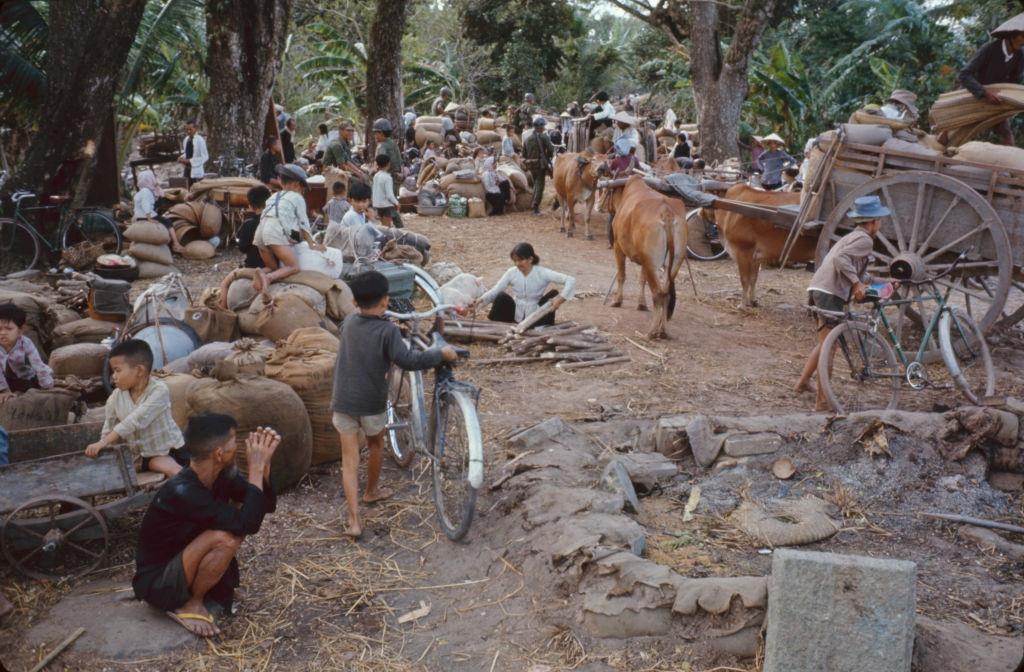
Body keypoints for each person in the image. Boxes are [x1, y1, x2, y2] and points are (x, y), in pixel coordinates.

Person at [331, 271, 457, 539]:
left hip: (342, 401)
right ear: (386, 301)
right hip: (371, 404)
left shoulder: (350, 322)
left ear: (354, 302)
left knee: (349, 461)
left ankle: (354, 521)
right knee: (376, 444)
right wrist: (439, 354)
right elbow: (408, 361)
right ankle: (371, 492)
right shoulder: (388, 331)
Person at [132, 414, 279, 637]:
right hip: (159, 584)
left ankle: (202, 591)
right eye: (233, 441)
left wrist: (263, 470)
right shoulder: (184, 491)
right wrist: (255, 471)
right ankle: (191, 603)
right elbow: (247, 524)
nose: (238, 445)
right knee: (225, 538)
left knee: (235, 523)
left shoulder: (220, 476)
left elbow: (264, 506)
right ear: (219, 454)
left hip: (183, 561)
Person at [795, 196, 891, 412]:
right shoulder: (865, 240)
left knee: (825, 343)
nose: (880, 224)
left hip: (820, 288)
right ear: (873, 221)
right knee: (830, 347)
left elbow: (858, 272)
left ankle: (802, 384)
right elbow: (841, 261)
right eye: (880, 221)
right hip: (830, 292)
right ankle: (822, 402)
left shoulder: (853, 237)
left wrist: (884, 282)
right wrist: (856, 284)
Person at [86, 339, 188, 479]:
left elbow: (136, 420)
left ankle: (195, 492)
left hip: (167, 451)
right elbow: (109, 427)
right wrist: (103, 446)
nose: (113, 377)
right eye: (112, 371)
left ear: (139, 370)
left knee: (173, 471)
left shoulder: (159, 390)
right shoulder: (115, 397)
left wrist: (104, 442)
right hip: (139, 456)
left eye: (117, 370)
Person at [954, 15, 1024, 145]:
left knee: (1006, 133)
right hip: (973, 95)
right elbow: (964, 74)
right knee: (954, 132)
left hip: (996, 99)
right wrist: (984, 93)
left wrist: (1009, 102)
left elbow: (1015, 81)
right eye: (1023, 36)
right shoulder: (989, 49)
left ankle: (1008, 163)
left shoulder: (1020, 55)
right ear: (1012, 36)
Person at [252, 164, 320, 295]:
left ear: (281, 182)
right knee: (293, 266)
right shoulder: (297, 198)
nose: (302, 192)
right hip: (273, 233)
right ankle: (268, 278)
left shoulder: (273, 196)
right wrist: (312, 243)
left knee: (273, 267)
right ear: (296, 184)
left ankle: (260, 273)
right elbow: (304, 224)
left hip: (259, 233)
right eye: (302, 188)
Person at [473, 243, 575, 326]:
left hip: (536, 312)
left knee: (549, 301)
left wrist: (559, 300)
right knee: (501, 296)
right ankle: (501, 326)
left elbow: (570, 280)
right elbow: (496, 289)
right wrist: (480, 300)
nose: (517, 264)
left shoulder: (542, 272)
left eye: (520, 260)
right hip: (516, 311)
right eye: (515, 261)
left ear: (530, 259)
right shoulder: (511, 272)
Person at [0, 303, 53, 403]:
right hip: (4, 379)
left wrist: (47, 386)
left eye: (8, 329)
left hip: (26, 378)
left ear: (20, 331)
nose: (3, 333)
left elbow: (38, 365)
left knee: (30, 388)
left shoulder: (25, 343)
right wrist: (4, 391)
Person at [133, 170, 185, 254]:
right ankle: (176, 244)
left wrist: (157, 186)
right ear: (149, 180)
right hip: (146, 216)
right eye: (152, 179)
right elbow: (146, 206)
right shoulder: (146, 192)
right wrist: (150, 219)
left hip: (143, 215)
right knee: (168, 222)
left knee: (163, 220)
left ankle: (173, 244)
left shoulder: (144, 190)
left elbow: (160, 194)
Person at [373, 118, 404, 228]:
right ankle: (396, 227)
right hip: (396, 177)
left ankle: (397, 228)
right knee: (391, 203)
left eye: (375, 133)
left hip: (389, 177)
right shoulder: (392, 143)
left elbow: (380, 162)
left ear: (381, 133)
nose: (375, 136)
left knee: (389, 205)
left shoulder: (382, 146)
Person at [523, 116, 555, 216]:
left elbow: (524, 154)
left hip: (530, 165)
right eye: (543, 126)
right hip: (540, 165)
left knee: (535, 185)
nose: (544, 128)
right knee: (540, 186)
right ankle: (535, 207)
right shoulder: (544, 136)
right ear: (540, 127)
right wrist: (547, 158)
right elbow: (551, 149)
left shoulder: (528, 139)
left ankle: (533, 204)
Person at [234, 185, 272, 271]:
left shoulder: (248, 224)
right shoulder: (275, 221)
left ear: (250, 206)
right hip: (276, 265)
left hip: (253, 266)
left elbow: (242, 247)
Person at [372, 155, 400, 228]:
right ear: (388, 164)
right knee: (387, 228)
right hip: (386, 205)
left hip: (377, 204)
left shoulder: (376, 176)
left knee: (383, 226)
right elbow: (389, 195)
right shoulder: (387, 177)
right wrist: (396, 203)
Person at [179, 120, 208, 188]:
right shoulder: (186, 140)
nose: (188, 131)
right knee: (187, 190)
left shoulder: (200, 140)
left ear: (195, 129)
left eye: (190, 129)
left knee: (197, 191)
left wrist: (190, 161)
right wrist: (181, 158)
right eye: (187, 130)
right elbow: (187, 153)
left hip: (196, 171)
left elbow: (205, 157)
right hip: (187, 170)